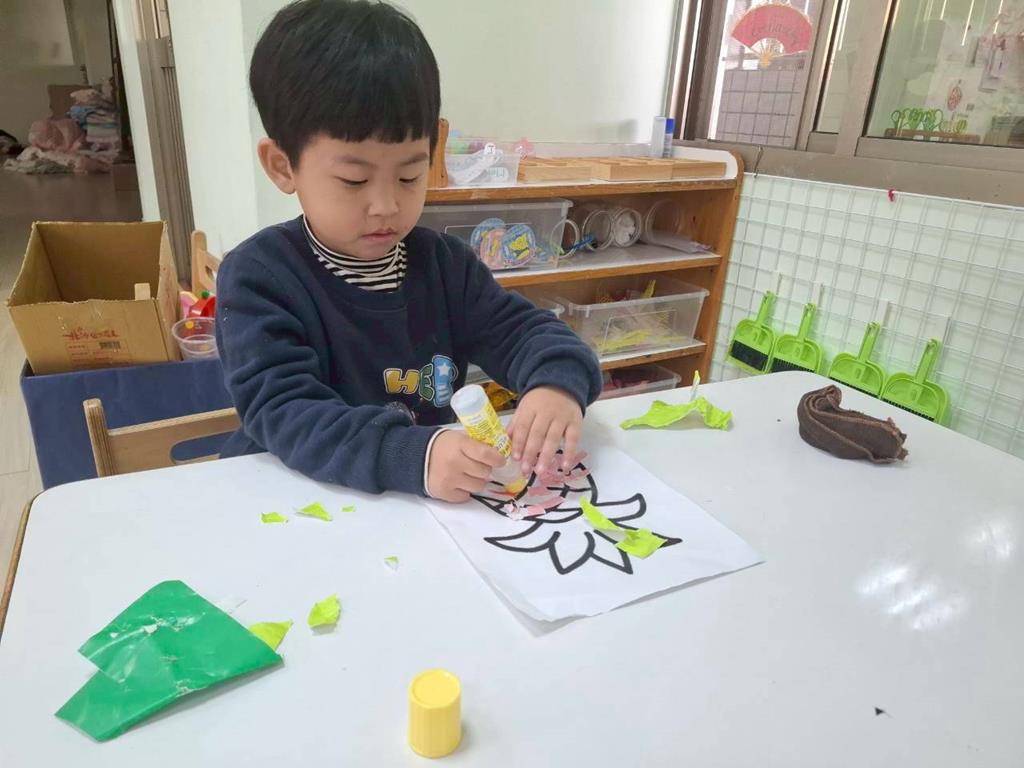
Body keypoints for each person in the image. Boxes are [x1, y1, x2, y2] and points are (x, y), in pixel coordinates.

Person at [215, 0, 601, 503]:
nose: (386, 205)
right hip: (297, 504)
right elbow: (285, 412)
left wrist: (557, 384)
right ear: (283, 166)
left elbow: (526, 333)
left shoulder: (445, 266)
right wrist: (411, 455)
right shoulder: (259, 277)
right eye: (354, 180)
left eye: (409, 176)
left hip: (418, 517)